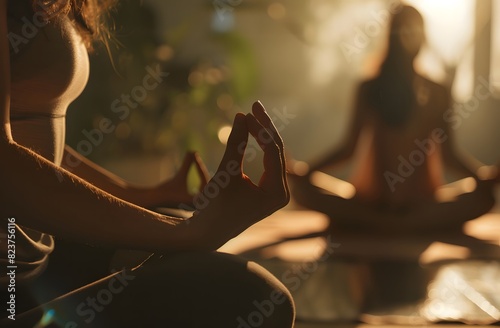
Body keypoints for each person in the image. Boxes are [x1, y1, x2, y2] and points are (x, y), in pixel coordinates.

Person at [0, 1, 295, 327]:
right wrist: (189, 233)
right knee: (252, 294)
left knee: (178, 235)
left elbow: (29, 146)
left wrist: (144, 195)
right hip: (9, 291)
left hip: (31, 264)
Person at [290, 5, 497, 233]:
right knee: (302, 189)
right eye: (404, 31)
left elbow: (449, 156)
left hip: (416, 204)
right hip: (375, 202)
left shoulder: (437, 91)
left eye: (415, 31)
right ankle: (405, 225)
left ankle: (383, 224)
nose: (410, 38)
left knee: (484, 197)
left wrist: (482, 176)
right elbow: (348, 149)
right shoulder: (368, 88)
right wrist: (305, 172)